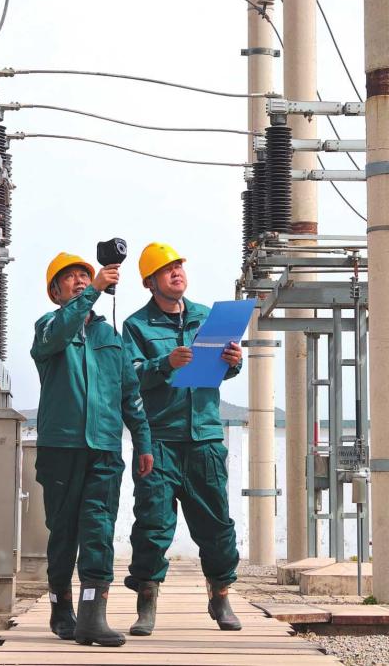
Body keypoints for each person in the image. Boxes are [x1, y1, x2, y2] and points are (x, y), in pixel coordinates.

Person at [31, 252, 155, 647]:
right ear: (55, 292)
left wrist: (143, 442)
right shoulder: (48, 327)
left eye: (85, 275)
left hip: (104, 449)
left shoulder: (110, 337)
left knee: (99, 530)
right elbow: (60, 332)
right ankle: (61, 607)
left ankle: (91, 617)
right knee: (63, 532)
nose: (81, 281)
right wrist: (94, 292)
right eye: (70, 278)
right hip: (60, 448)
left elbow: (130, 394)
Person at [121, 242, 244, 636]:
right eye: (166, 269)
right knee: (152, 525)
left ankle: (220, 596)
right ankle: (146, 602)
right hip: (159, 440)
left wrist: (233, 363)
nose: (176, 273)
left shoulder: (206, 318)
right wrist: (164, 363)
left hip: (205, 437)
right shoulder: (136, 326)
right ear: (150, 282)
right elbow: (127, 376)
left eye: (178, 266)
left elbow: (220, 371)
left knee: (216, 525)